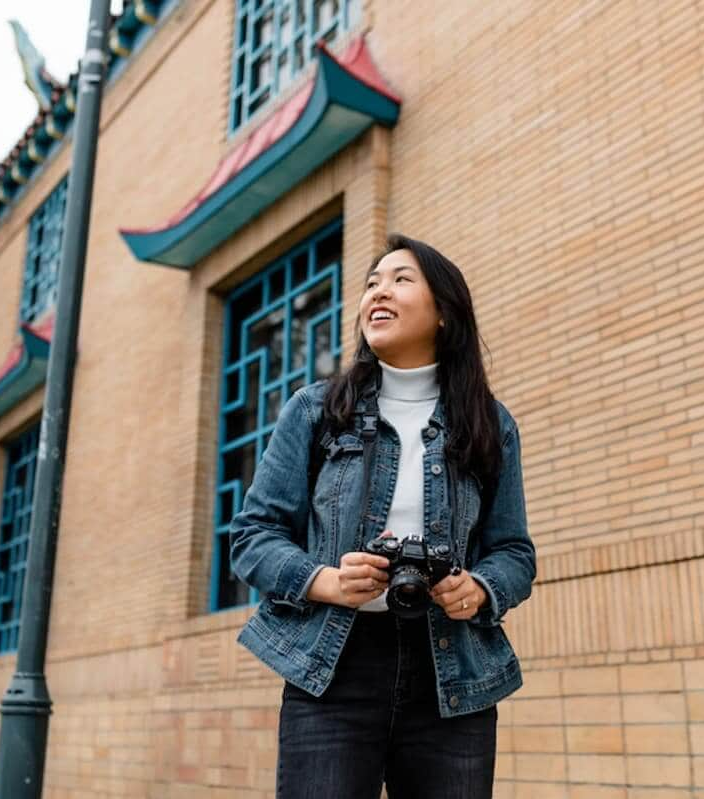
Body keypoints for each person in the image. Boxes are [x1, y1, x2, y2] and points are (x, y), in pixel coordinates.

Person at [230, 234, 536, 799]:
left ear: (443, 311)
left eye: (400, 279)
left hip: (454, 676)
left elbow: (514, 552)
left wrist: (480, 590)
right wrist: (324, 580)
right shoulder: (316, 410)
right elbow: (253, 536)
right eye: (372, 282)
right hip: (335, 671)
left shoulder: (490, 423)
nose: (378, 291)